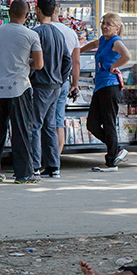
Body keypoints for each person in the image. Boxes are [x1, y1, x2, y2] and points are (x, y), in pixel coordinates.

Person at [0, 0, 43, 184]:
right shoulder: (31, 35)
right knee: (21, 131)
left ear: (8, 13)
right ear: (27, 15)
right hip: (19, 88)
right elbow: (39, 64)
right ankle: (23, 174)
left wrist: (1, 56)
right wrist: (25, 62)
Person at [79, 12, 131, 172]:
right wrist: (77, 52)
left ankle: (110, 162)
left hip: (110, 86)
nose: (104, 26)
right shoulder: (103, 40)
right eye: (103, 23)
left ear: (116, 28)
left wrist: (114, 65)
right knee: (92, 124)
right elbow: (91, 45)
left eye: (109, 24)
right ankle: (116, 149)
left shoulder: (116, 41)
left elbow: (127, 56)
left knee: (108, 123)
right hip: (100, 86)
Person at [31, 0, 72, 179]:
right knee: (50, 125)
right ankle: (53, 166)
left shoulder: (36, 33)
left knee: (34, 125)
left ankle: (34, 165)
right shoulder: (59, 33)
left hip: (40, 84)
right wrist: (61, 79)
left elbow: (29, 60)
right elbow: (67, 61)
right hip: (55, 85)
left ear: (37, 10)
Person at [51, 10, 82, 161]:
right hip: (63, 80)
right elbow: (75, 63)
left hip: (42, 81)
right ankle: (55, 160)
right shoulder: (70, 33)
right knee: (58, 120)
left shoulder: (38, 30)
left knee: (39, 120)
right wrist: (74, 84)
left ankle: (38, 158)